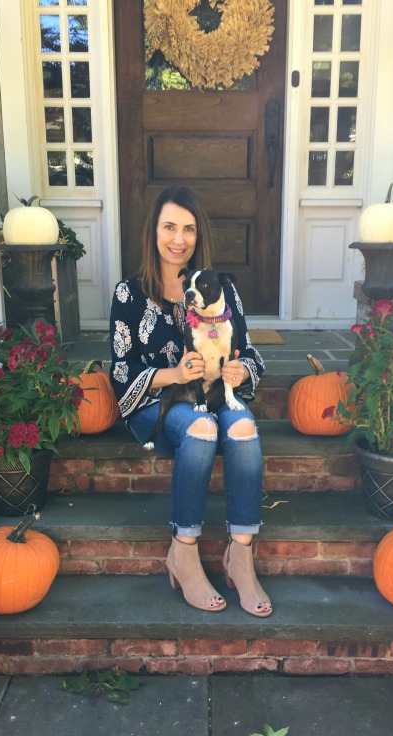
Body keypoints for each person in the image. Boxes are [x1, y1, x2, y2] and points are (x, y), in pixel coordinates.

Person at [109, 186, 271, 617]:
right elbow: (121, 373)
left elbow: (250, 352)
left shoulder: (219, 290)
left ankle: (240, 556)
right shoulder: (129, 294)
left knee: (243, 428)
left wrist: (241, 371)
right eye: (169, 227)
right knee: (202, 430)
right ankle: (183, 551)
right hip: (159, 405)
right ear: (154, 231)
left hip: (212, 396)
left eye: (188, 229)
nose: (178, 239)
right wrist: (175, 375)